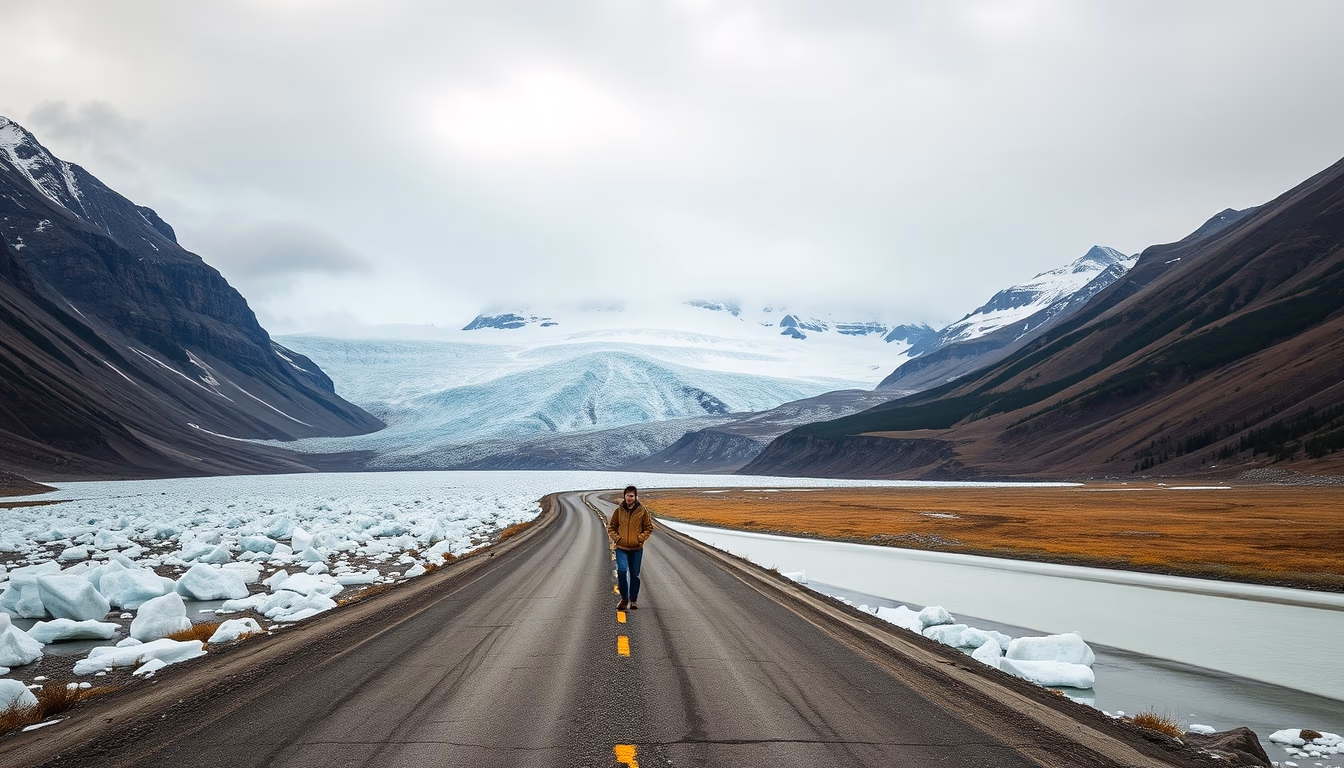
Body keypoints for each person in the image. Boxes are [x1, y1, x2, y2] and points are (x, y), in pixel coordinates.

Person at [608, 485, 654, 610]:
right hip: (621, 547)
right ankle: (624, 599)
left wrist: (640, 539)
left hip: (636, 549)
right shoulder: (619, 511)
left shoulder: (642, 511)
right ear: (624, 496)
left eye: (632, 496)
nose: (629, 498)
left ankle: (633, 599)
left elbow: (649, 527)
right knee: (622, 571)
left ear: (635, 497)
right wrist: (617, 538)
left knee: (634, 574)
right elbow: (611, 527)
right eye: (627, 495)